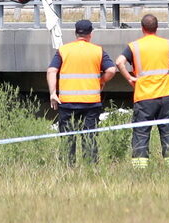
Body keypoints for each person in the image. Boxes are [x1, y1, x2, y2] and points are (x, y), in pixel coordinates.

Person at [116, 14, 169, 167]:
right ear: (157, 27)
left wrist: (130, 79)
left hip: (144, 96)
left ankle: (140, 168)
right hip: (166, 94)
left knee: (141, 133)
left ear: (142, 28)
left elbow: (119, 62)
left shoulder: (134, 46)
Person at [47, 19, 117, 164]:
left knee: (67, 138)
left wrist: (53, 93)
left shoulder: (63, 50)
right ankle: (90, 167)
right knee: (90, 137)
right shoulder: (98, 50)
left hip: (67, 103)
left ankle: (68, 167)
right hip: (90, 102)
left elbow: (52, 70)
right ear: (90, 34)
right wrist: (101, 81)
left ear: (75, 33)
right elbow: (111, 70)